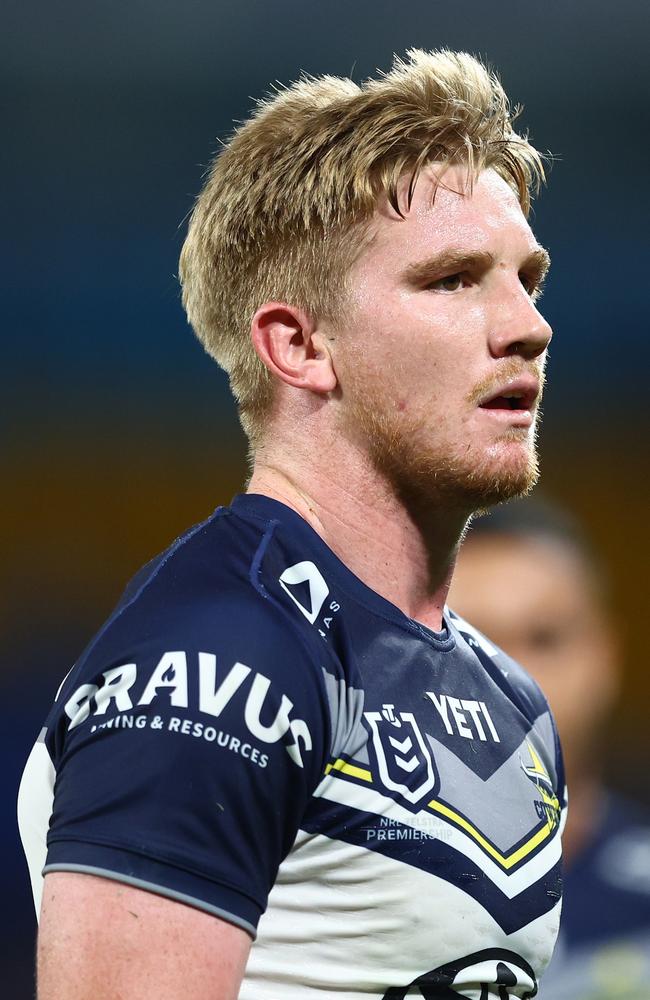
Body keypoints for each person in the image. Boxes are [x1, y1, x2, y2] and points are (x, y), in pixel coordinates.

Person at [18, 49, 564, 999]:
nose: (526, 325)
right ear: (299, 345)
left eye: (528, 277)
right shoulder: (217, 657)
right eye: (453, 280)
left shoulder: (512, 702)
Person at [449, 499, 650, 999]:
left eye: (544, 638)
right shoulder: (333, 898)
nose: (514, 676)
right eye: (475, 641)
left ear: (606, 655)